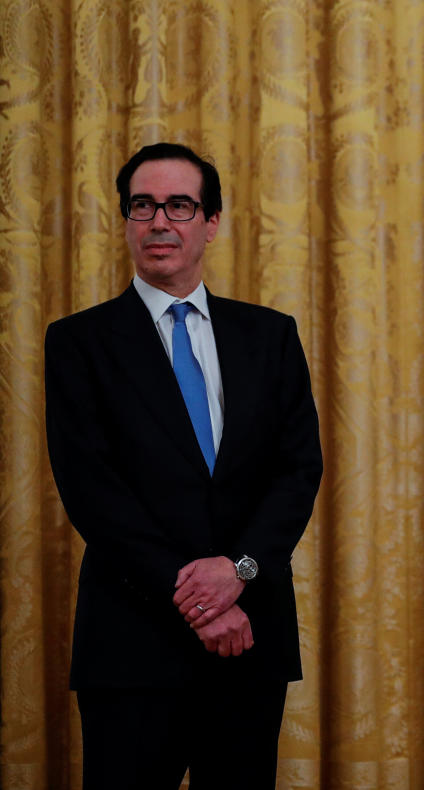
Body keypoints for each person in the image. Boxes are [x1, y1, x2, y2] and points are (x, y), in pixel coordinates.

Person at [44, 142, 323, 788]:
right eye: (142, 206)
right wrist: (200, 601)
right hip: (132, 644)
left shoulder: (270, 336)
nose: (160, 222)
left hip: (250, 639)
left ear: (211, 222)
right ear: (125, 221)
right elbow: (92, 490)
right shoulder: (79, 343)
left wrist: (239, 571)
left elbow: (297, 471)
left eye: (179, 205)